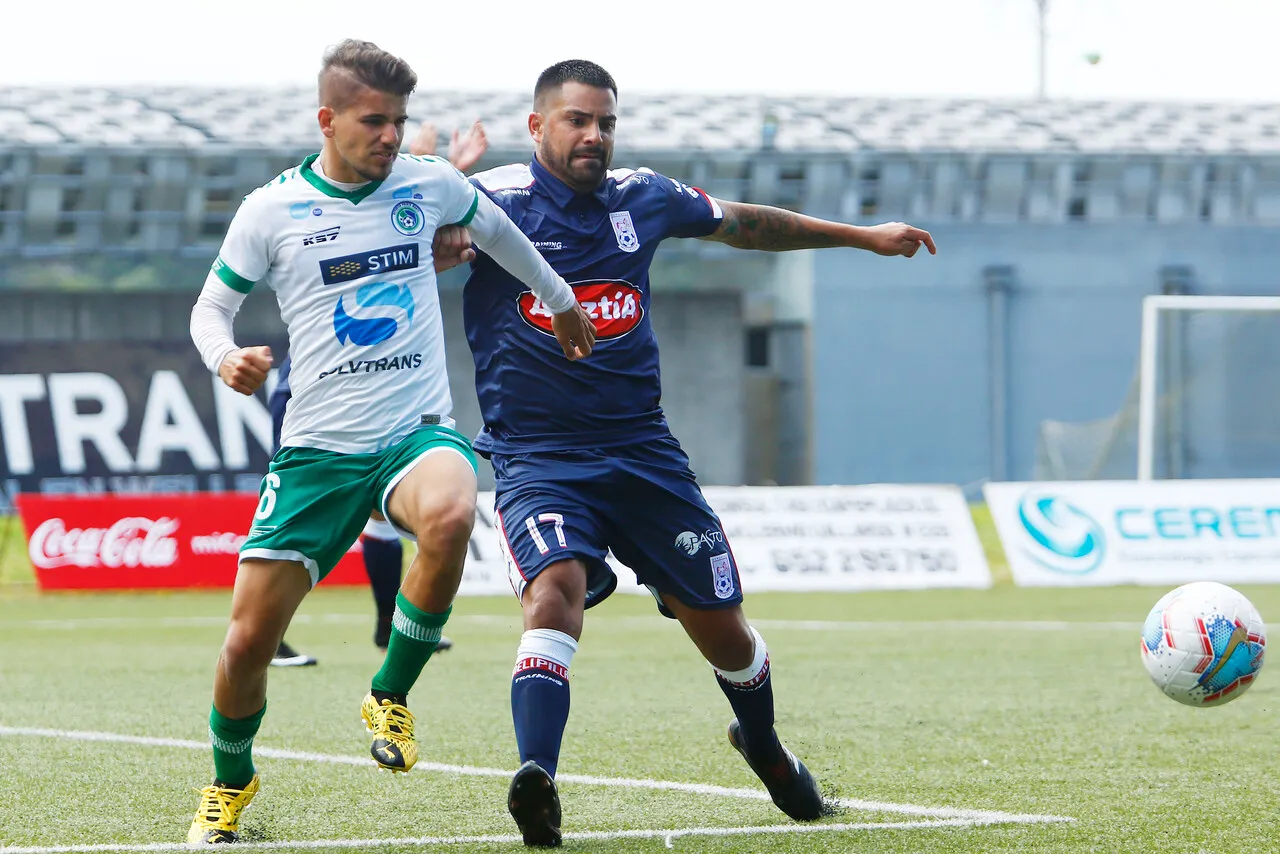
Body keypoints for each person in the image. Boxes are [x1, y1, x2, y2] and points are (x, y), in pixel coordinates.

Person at [461, 60, 936, 847]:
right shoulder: (491, 205)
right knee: (554, 592)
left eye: (606, 121)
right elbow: (406, 230)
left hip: (642, 452)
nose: (594, 135)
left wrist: (862, 237)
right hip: (537, 456)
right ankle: (536, 777)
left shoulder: (641, 197)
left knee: (725, 632)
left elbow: (748, 223)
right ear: (537, 126)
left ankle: (763, 742)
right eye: (577, 120)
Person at [184, 40, 595, 844]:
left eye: (400, 121)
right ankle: (230, 782)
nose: (390, 136)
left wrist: (561, 298)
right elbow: (210, 310)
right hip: (316, 452)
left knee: (451, 512)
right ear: (327, 120)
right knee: (244, 647)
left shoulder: (426, 182)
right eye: (374, 122)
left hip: (414, 431)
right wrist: (226, 357)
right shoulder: (269, 211)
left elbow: (502, 232)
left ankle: (391, 694)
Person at [268, 119, 490, 668]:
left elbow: (408, 216)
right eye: (376, 124)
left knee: (382, 516)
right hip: (315, 394)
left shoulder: (394, 219)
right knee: (293, 519)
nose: (388, 143)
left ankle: (386, 622)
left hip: (372, 392)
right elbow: (395, 211)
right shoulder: (314, 205)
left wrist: (448, 172)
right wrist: (452, 167)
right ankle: (268, 632)